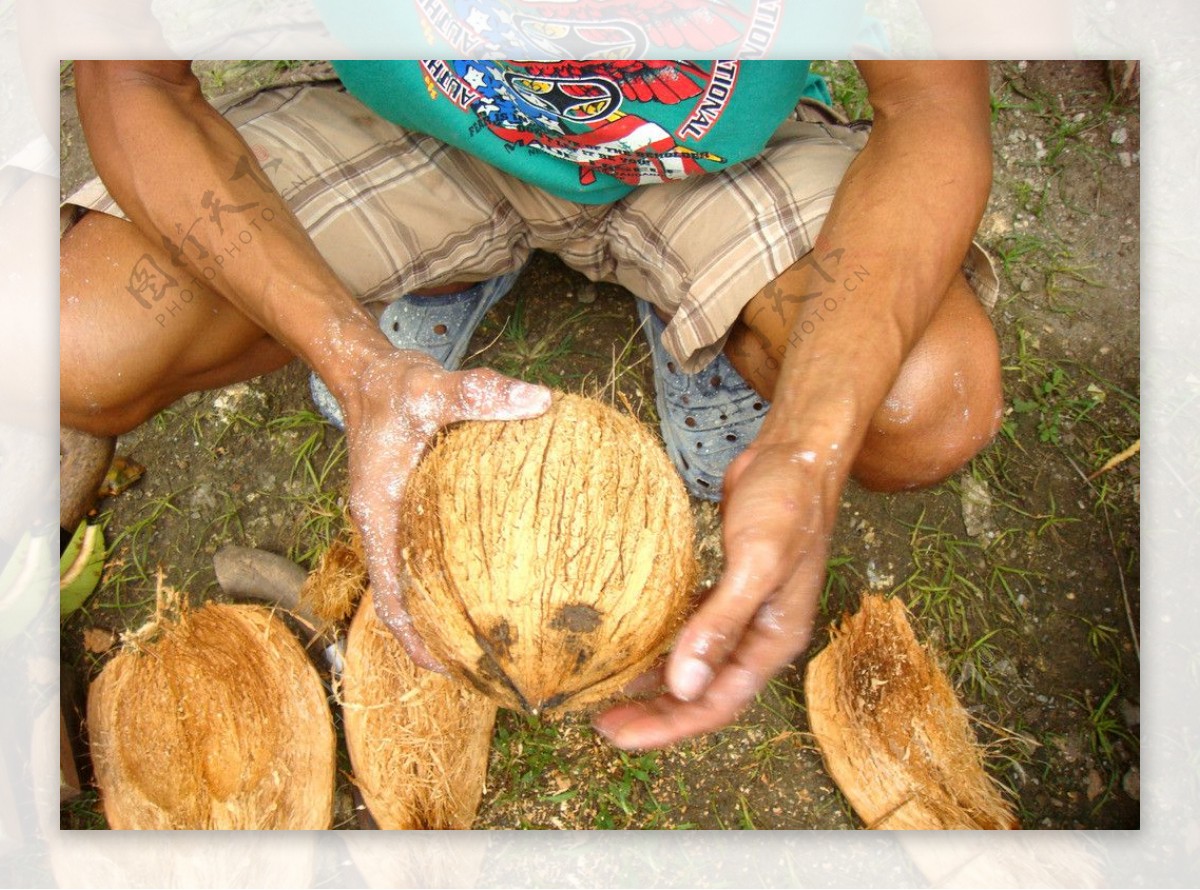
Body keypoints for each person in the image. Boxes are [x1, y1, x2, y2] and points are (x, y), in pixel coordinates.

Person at [60, 60, 1001, 750]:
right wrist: (355, 360)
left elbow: (929, 105)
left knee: (917, 407)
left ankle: (706, 305)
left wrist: (809, 436)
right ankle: (434, 274)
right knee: (82, 348)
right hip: (422, 127)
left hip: (703, 158)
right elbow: (131, 77)